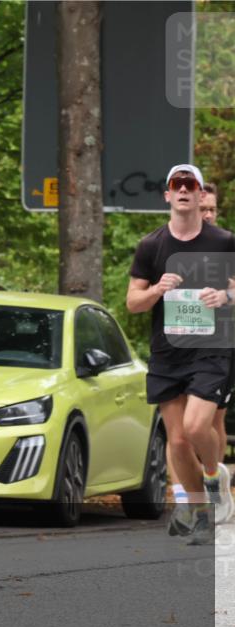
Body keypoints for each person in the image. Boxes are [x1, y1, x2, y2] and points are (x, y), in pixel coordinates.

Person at [127, 164, 235, 544]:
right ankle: (202, 513)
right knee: (176, 442)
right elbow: (133, 302)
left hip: (211, 349)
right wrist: (156, 290)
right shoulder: (152, 246)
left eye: (192, 184)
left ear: (201, 193)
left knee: (195, 427)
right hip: (168, 353)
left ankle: (213, 476)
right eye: (179, 184)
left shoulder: (223, 241)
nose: (186, 190)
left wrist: (226, 296)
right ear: (168, 195)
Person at [200, 182, 234, 470]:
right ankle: (192, 485)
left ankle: (216, 482)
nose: (208, 215)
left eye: (211, 209)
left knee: (214, 418)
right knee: (185, 426)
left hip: (220, 343)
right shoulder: (172, 243)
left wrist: (228, 295)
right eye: (203, 209)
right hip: (181, 345)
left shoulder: (227, 243)